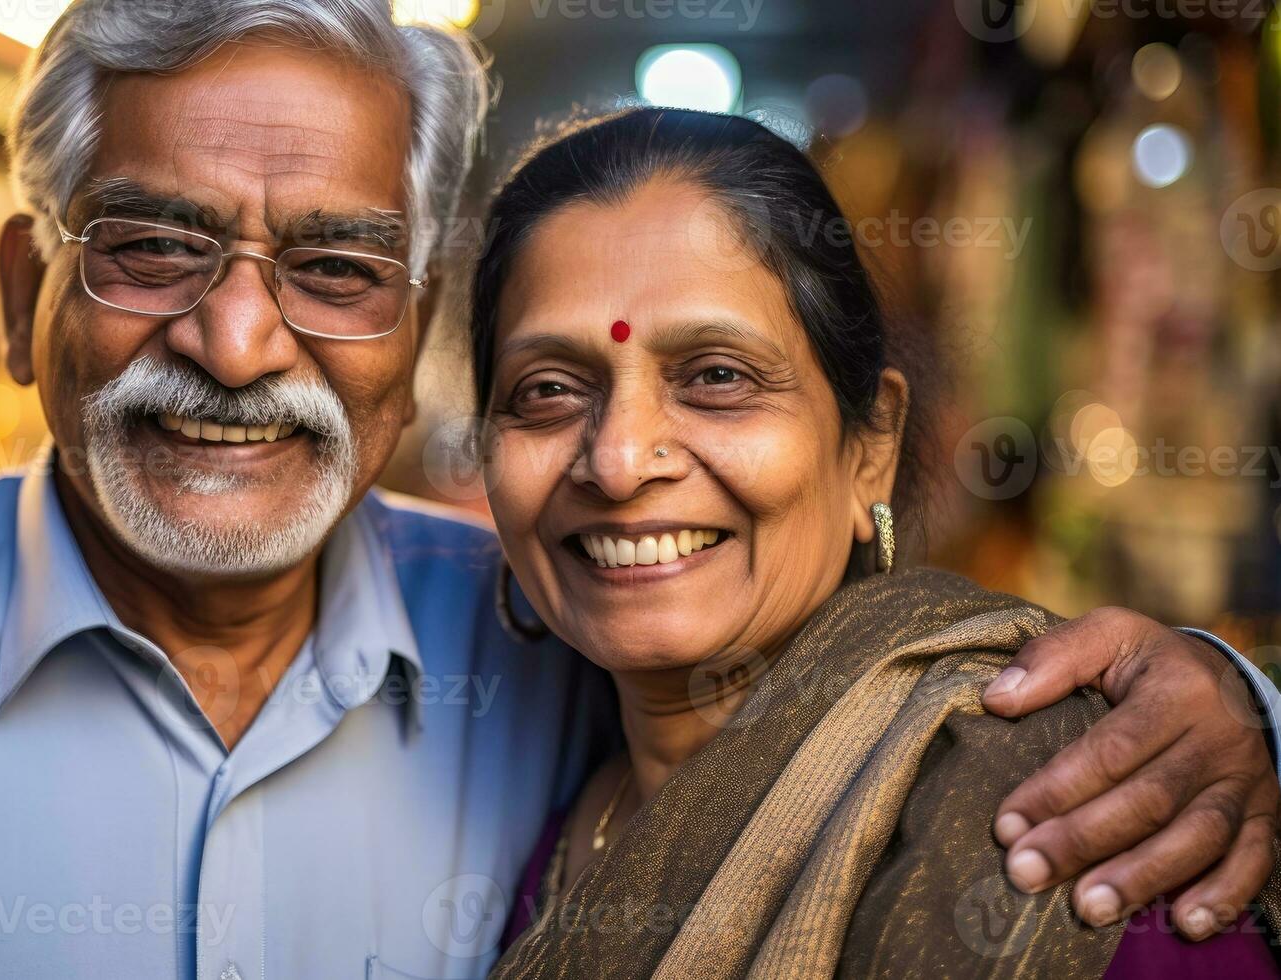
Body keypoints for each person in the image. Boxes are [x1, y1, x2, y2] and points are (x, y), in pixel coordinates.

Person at [0, 2, 1281, 977]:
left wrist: (1234, 705)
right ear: (24, 299)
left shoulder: (562, 651)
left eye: (331, 264)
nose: (238, 343)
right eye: (154, 248)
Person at [473, 107, 1281, 977]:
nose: (620, 460)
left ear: (871, 447)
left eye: (717, 376)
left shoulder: (1076, 812)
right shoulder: (538, 803)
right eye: (548, 389)